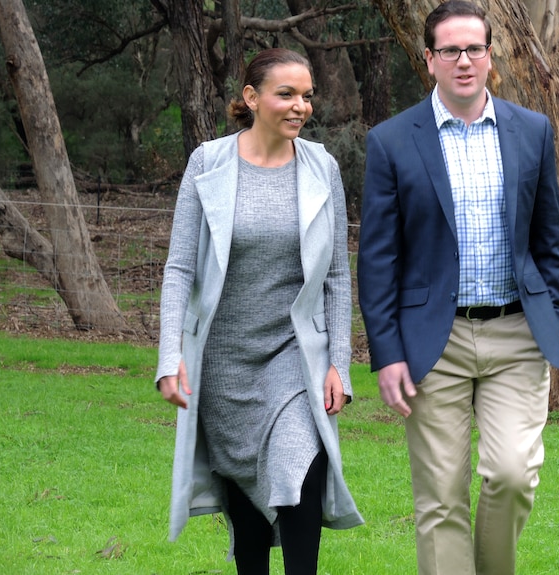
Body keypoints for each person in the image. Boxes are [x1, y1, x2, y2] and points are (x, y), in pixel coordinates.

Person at [357, 2, 559, 574]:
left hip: (517, 336)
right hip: (432, 343)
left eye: (474, 48)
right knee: (441, 498)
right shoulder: (392, 141)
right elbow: (378, 260)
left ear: (490, 55)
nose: (464, 61)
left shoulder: (532, 131)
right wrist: (387, 353)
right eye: (450, 50)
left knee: (511, 476)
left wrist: (554, 317)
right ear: (429, 60)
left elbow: (549, 240)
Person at [155, 48, 363, 575]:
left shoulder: (323, 168)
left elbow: (338, 274)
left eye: (307, 95)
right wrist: (170, 357)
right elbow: (180, 268)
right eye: (286, 94)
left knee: (299, 472)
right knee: (248, 513)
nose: (300, 107)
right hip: (224, 362)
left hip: (295, 354)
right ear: (251, 98)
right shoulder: (209, 163)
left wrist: (339, 359)